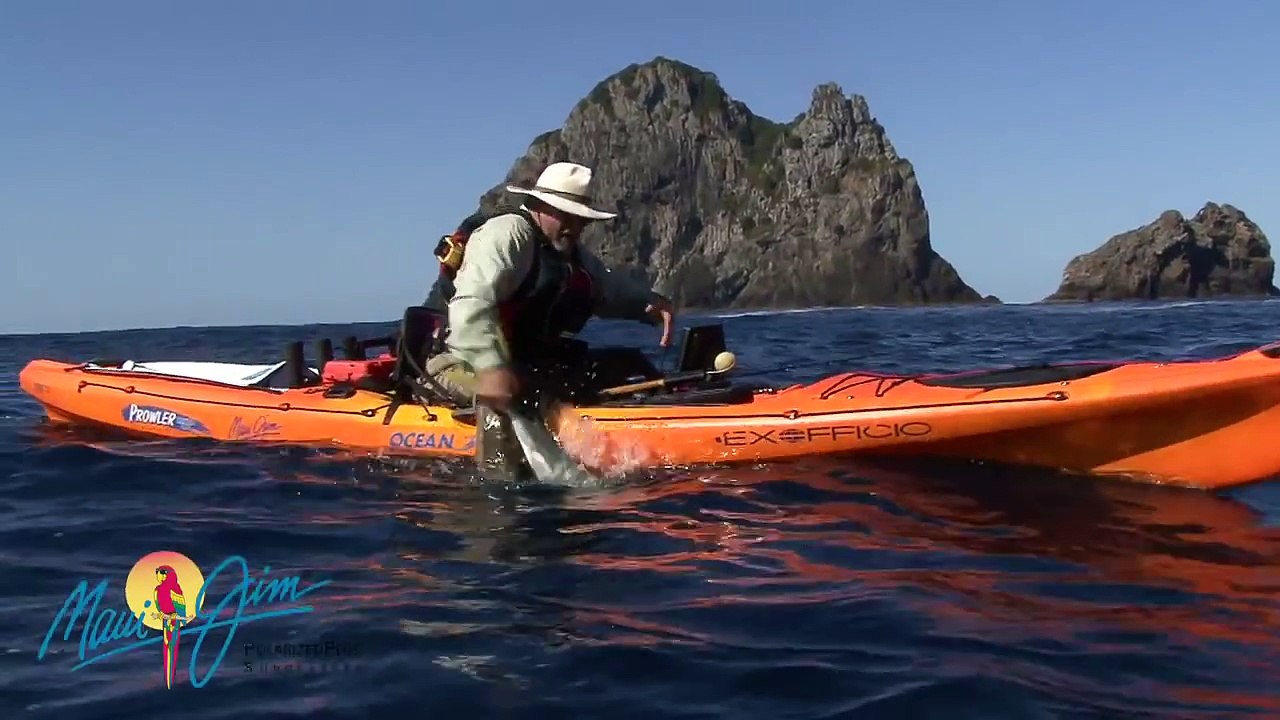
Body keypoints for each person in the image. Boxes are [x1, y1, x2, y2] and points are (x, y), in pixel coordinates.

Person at [424, 161, 675, 414]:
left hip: (527, 365)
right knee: (521, 395)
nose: (574, 227)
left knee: (630, 364)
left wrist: (650, 303)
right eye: (566, 216)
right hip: (459, 365)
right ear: (539, 206)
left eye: (581, 221)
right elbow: (469, 305)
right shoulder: (505, 236)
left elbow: (607, 287)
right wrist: (491, 369)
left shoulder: (568, 253)